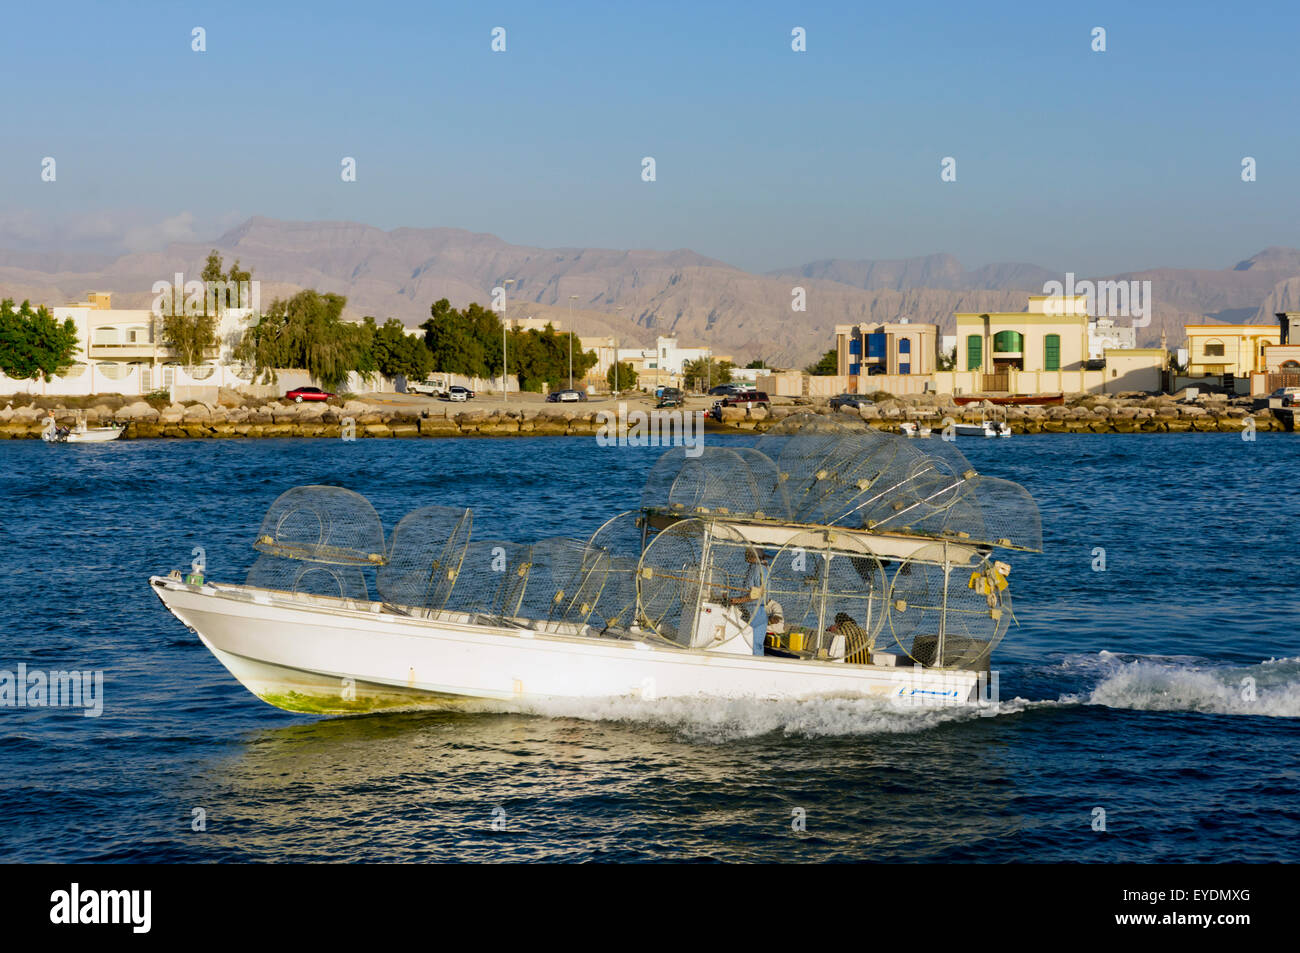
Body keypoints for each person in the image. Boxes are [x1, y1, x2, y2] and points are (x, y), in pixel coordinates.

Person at [730, 548, 770, 656]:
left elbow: (757, 594)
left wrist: (738, 600)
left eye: (747, 553)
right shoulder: (764, 569)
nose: (745, 555)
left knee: (749, 643)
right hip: (761, 612)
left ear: (752, 556)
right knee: (757, 645)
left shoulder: (756, 570)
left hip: (753, 611)